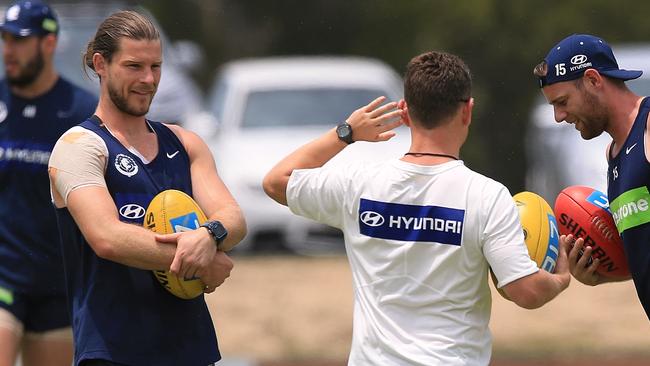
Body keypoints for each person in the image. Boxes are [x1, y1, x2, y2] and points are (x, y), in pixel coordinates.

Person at [264, 51, 570, 365]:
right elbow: (527, 292)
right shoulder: (487, 196)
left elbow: (276, 181)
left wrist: (346, 133)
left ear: (405, 112)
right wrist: (560, 278)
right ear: (468, 111)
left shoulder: (358, 185)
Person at [47, 10, 246, 366]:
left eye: (156, 67)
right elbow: (106, 237)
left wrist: (210, 235)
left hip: (191, 348)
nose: (148, 79)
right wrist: (199, 260)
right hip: (111, 351)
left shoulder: (186, 143)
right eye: (134, 66)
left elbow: (232, 217)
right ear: (101, 64)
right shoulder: (79, 146)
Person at [0, 1, 98, 365]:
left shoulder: (80, 111)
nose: (9, 50)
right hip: (4, 277)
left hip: (58, 283)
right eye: (5, 39)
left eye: (19, 40)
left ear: (49, 44)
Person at [534, 34, 649, 318]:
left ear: (594, 80)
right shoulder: (613, 154)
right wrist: (605, 273)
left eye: (562, 101)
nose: (559, 116)